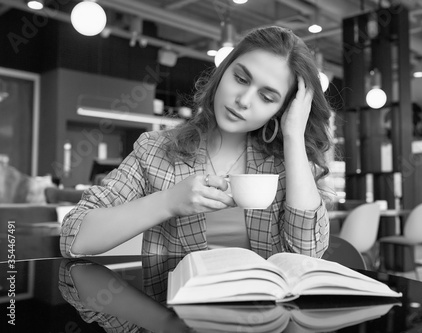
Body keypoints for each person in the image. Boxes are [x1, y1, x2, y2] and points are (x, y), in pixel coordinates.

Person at [60, 26, 333, 259]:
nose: (244, 100)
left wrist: (294, 136)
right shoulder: (155, 150)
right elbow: (73, 237)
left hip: (265, 317)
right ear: (222, 73)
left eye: (267, 97)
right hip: (174, 315)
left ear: (282, 109)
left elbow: (307, 255)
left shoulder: (287, 165)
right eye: (240, 78)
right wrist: (167, 202)